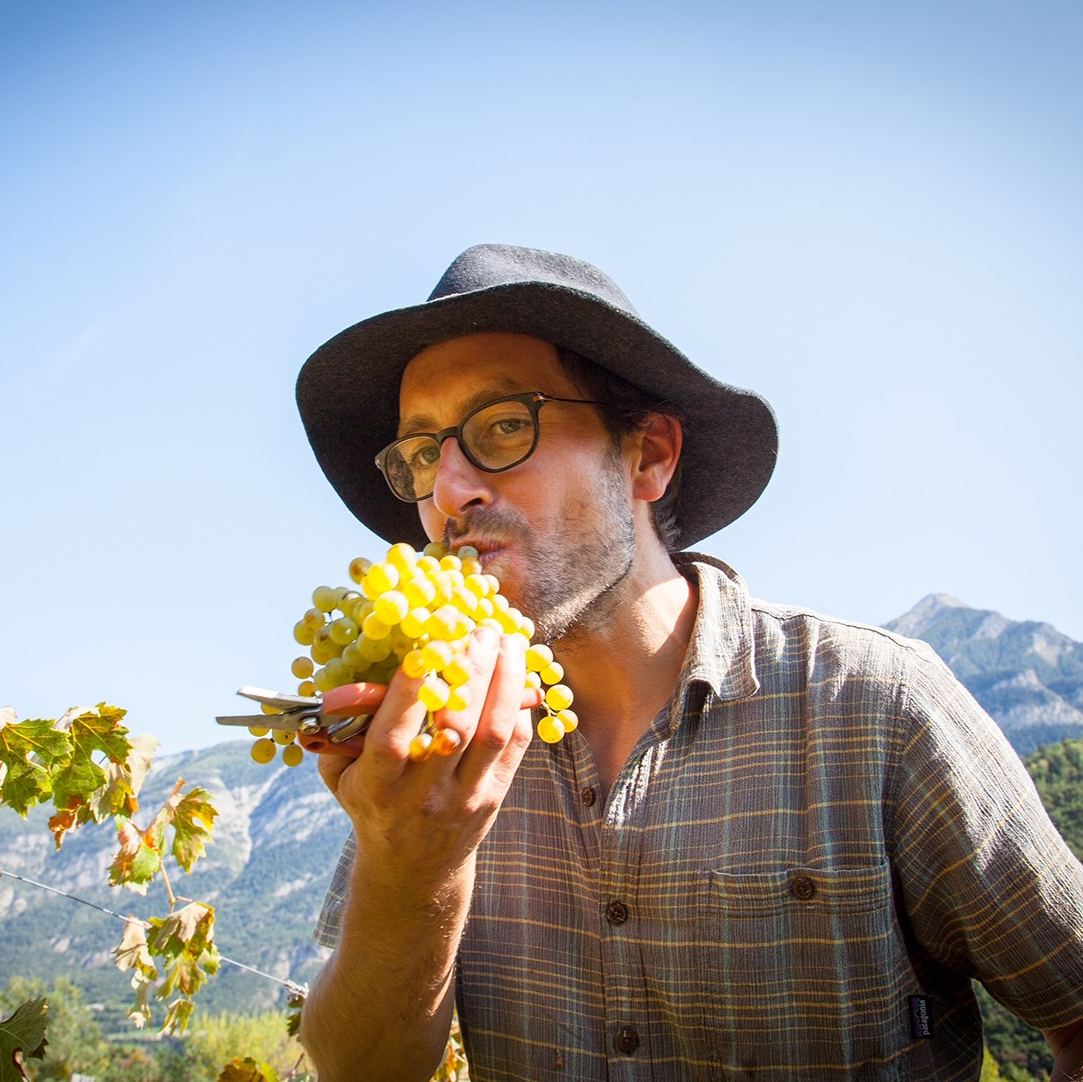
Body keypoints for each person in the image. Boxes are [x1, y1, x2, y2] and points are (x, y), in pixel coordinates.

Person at [290, 244, 1083, 1081]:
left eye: (502, 427)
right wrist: (412, 869)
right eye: (419, 454)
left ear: (650, 455)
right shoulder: (434, 756)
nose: (446, 492)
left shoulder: (874, 706)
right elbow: (360, 1069)